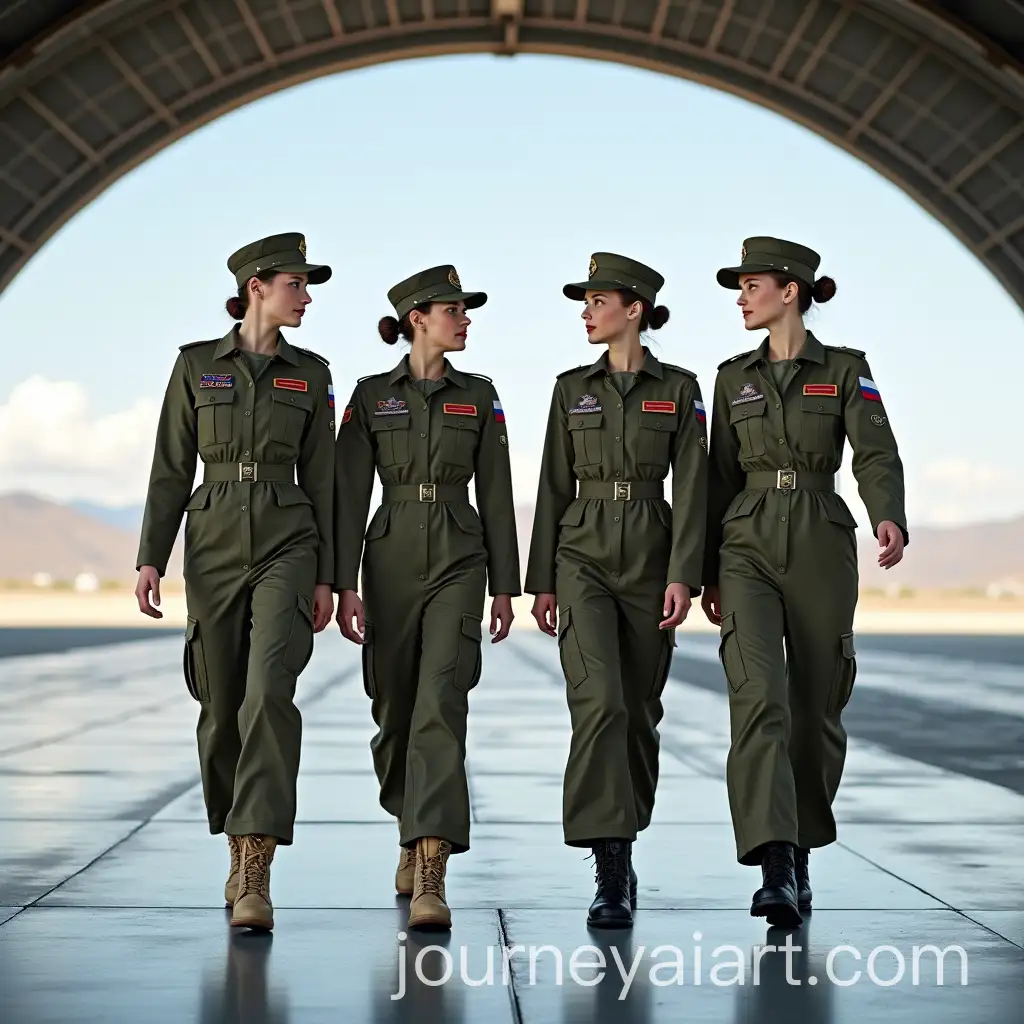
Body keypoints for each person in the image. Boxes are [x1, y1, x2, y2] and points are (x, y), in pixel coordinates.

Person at [702, 236, 907, 927]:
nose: (741, 297)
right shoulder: (733, 378)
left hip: (821, 534)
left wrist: (889, 517)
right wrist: (706, 570)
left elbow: (876, 451)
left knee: (817, 704)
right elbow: (718, 478)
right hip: (746, 539)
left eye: (751, 285)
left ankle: (804, 845)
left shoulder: (846, 369)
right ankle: (774, 862)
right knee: (757, 697)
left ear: (790, 291)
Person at [135, 232, 337, 932]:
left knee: (268, 694)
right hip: (214, 538)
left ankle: (258, 861)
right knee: (220, 705)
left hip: (290, 538)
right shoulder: (196, 367)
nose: (306, 297)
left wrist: (332, 578)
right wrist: (151, 556)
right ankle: (234, 836)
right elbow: (170, 466)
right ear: (257, 286)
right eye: (296, 284)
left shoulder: (311, 375)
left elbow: (327, 481)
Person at [524, 252, 708, 928]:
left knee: (637, 710)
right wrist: (541, 579)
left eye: (597, 300)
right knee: (598, 700)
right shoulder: (571, 388)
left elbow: (692, 488)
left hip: (653, 555)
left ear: (633, 309)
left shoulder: (681, 389)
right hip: (584, 555)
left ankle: (624, 836)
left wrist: (685, 573)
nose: (585, 312)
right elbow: (550, 485)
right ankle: (609, 865)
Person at [334, 264, 520, 931]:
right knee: (394, 710)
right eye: (455, 310)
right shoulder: (368, 397)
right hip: (386, 559)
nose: (465, 320)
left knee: (442, 700)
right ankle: (408, 822)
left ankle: (433, 866)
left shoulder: (481, 395)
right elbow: (349, 495)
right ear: (418, 318)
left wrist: (506, 585)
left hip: (459, 556)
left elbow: (497, 492)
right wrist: (344, 582)